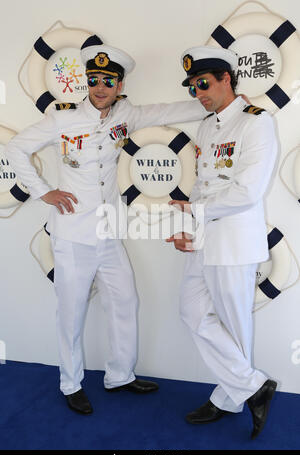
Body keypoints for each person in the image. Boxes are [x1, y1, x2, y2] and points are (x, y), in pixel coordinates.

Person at [5, 36, 208, 415]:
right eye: (94, 80)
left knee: (125, 300)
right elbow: (15, 148)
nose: (100, 88)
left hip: (108, 232)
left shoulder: (124, 115)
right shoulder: (63, 118)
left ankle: (119, 375)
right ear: (87, 82)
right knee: (72, 310)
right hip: (72, 233)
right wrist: (43, 192)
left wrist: (217, 105)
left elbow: (165, 111)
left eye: (108, 81)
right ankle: (70, 382)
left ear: (120, 85)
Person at [167, 45, 278, 439]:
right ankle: (251, 387)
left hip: (233, 241)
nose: (198, 93)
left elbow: (248, 192)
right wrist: (187, 222)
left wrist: (196, 214)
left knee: (234, 326)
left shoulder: (256, 122)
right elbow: (202, 184)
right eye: (193, 87)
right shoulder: (207, 126)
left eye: (203, 84)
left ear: (226, 78)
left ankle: (230, 398)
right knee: (192, 311)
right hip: (203, 238)